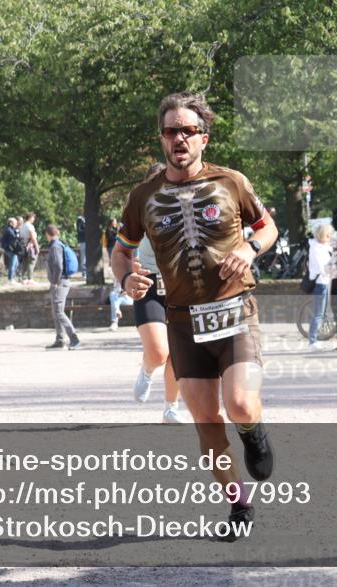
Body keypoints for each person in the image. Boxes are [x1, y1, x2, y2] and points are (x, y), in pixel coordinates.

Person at [111, 92, 277, 541]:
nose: (179, 138)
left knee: (240, 403)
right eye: (170, 131)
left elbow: (267, 227)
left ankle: (253, 430)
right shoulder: (142, 196)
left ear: (203, 137)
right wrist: (126, 280)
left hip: (235, 311)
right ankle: (239, 503)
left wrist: (249, 248)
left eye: (187, 130)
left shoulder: (231, 182)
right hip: (183, 322)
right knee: (206, 426)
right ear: (161, 139)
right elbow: (121, 252)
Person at [130, 163, 186, 424]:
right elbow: (122, 250)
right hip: (149, 284)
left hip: (180, 287)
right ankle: (147, 369)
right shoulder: (138, 213)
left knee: (178, 353)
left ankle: (170, 408)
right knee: (158, 352)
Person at [44, 224, 80, 350]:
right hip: (61, 282)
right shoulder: (58, 245)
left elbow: (59, 266)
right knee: (56, 311)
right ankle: (60, 340)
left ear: (47, 234)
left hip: (59, 283)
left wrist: (54, 282)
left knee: (59, 312)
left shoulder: (55, 247)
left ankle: (74, 338)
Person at [306, 224, 335, 350]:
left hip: (325, 281)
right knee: (318, 314)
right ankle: (312, 341)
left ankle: (314, 339)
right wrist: (332, 270)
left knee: (321, 313)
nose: (330, 236)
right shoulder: (316, 248)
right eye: (328, 234)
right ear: (323, 234)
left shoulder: (322, 247)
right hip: (321, 283)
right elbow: (321, 267)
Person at [19, 213, 39, 284]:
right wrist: (37, 247)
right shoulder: (30, 226)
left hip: (23, 246)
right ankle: (30, 279)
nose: (34, 219)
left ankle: (23, 278)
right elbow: (33, 238)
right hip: (30, 246)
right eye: (33, 218)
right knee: (31, 261)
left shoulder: (22, 226)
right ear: (30, 217)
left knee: (24, 262)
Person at [0, 217, 20, 283]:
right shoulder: (9, 230)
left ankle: (11, 278)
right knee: (13, 264)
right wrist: (18, 235)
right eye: (15, 223)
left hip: (12, 249)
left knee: (16, 263)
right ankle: (10, 279)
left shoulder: (12, 229)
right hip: (10, 249)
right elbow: (14, 237)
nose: (16, 224)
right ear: (11, 223)